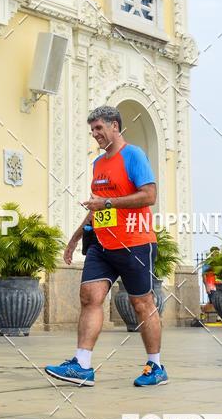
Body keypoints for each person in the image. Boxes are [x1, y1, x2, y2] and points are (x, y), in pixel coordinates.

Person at [45, 105, 167, 388]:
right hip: (101, 243)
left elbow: (149, 195)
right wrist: (76, 236)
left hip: (135, 243)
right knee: (90, 296)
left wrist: (108, 203)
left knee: (141, 303)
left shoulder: (133, 155)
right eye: (92, 130)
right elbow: (97, 205)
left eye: (99, 128)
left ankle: (156, 365)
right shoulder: (98, 164)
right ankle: (82, 365)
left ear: (115, 126)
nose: (95, 135)